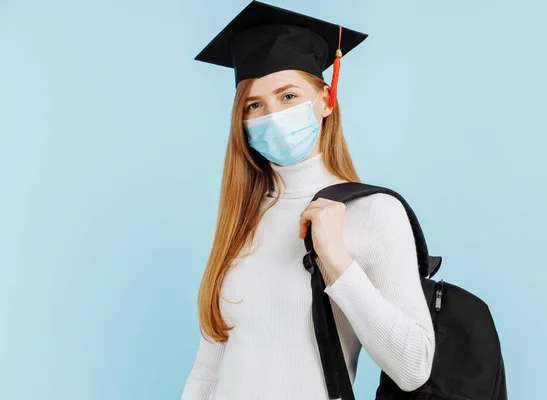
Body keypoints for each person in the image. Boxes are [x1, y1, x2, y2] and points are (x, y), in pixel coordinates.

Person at [181, 1, 435, 399]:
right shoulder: (239, 218)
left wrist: (338, 262)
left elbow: (414, 366)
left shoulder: (373, 212)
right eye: (255, 105)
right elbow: (210, 366)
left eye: (288, 96)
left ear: (325, 101)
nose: (273, 115)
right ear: (242, 122)